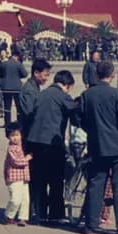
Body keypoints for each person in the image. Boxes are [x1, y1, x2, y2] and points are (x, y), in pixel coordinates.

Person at [78, 60, 118, 234]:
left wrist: (93, 131)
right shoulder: (117, 94)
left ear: (96, 74)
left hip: (97, 145)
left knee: (96, 184)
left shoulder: (87, 95)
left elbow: (79, 119)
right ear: (112, 74)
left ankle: (91, 224)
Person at [25, 70, 78, 224]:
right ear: (67, 85)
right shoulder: (62, 96)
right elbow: (74, 111)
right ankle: (56, 214)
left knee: (39, 180)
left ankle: (39, 212)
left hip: (34, 141)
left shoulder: (41, 94)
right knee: (56, 180)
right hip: (52, 143)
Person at [2, 123, 32, 226]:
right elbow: (16, 161)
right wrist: (27, 159)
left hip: (23, 176)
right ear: (8, 137)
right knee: (16, 198)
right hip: (14, 177)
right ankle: (8, 215)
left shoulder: (21, 145)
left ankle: (22, 218)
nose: (15, 138)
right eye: (12, 135)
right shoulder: (11, 148)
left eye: (17, 135)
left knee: (25, 199)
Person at [14, 58, 51, 135]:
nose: (47, 79)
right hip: (29, 131)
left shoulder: (34, 86)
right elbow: (30, 113)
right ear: (36, 73)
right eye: (45, 75)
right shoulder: (29, 90)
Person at [0, 49, 27, 124]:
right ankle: (19, 122)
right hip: (17, 88)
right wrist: (18, 76)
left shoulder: (4, 64)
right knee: (18, 107)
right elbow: (25, 74)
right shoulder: (18, 64)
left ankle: (7, 123)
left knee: (7, 107)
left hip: (6, 87)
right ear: (16, 56)